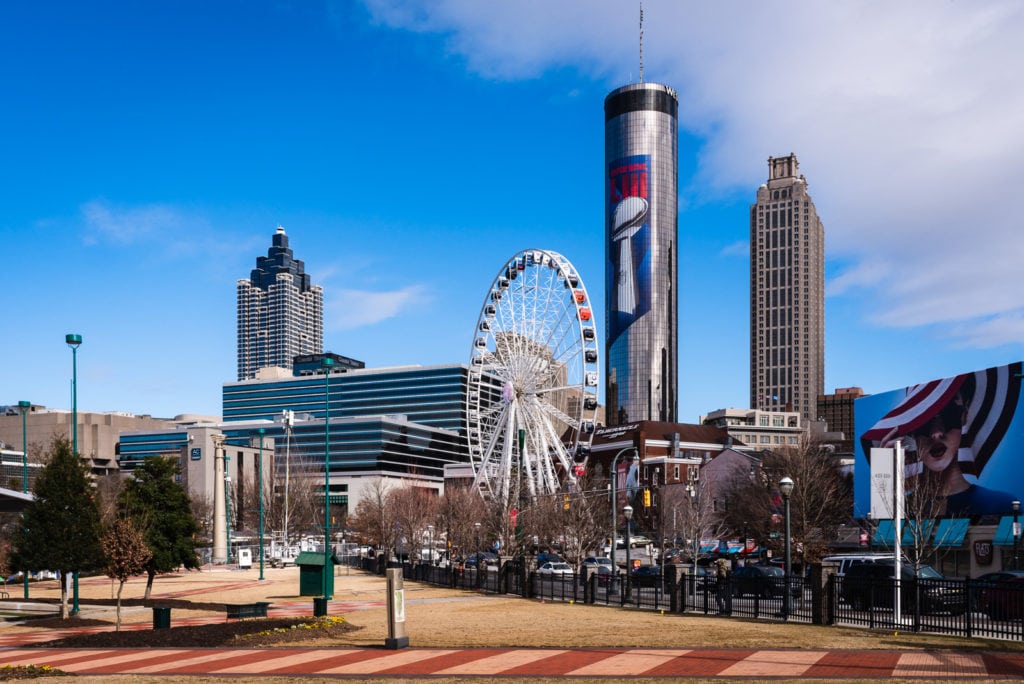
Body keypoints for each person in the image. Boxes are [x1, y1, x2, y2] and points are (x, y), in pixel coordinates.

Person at [861, 365, 1021, 517]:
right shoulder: (902, 508)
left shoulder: (1002, 505)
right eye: (924, 421)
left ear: (964, 415)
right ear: (912, 431)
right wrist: (884, 474)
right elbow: (881, 528)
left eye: (949, 415)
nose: (936, 433)